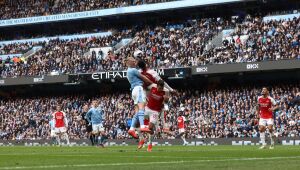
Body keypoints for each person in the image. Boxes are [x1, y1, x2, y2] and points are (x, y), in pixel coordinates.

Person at [126, 57, 153, 139]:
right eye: (133, 61)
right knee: (142, 109)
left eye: (135, 61)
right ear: (129, 62)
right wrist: (152, 84)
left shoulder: (128, 71)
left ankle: (131, 129)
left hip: (133, 91)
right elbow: (145, 79)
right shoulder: (133, 70)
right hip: (138, 89)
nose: (135, 62)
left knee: (137, 112)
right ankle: (142, 126)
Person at [143, 80, 170, 152]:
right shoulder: (152, 87)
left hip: (155, 112)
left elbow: (166, 102)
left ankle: (150, 144)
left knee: (150, 127)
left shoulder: (165, 91)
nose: (160, 90)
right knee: (141, 122)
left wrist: (166, 99)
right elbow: (144, 87)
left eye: (161, 88)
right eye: (159, 88)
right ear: (157, 86)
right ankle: (149, 133)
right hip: (147, 108)